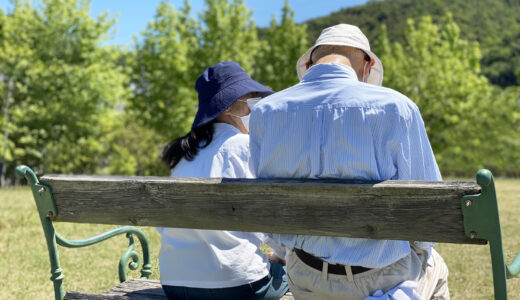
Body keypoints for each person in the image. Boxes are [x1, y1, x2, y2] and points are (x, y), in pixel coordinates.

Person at [249, 24, 449, 300]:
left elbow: (266, 207)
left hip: (307, 277)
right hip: (383, 278)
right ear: (367, 67)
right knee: (435, 264)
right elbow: (429, 209)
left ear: (309, 64)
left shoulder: (265, 111)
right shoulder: (397, 108)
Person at [158, 61, 289, 300]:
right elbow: (271, 218)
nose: (255, 110)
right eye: (251, 102)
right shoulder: (247, 147)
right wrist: (282, 255)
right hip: (237, 284)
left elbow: (164, 224)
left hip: (175, 284)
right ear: (229, 107)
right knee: (291, 272)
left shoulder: (184, 154)